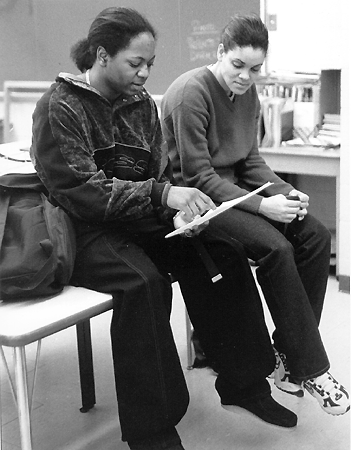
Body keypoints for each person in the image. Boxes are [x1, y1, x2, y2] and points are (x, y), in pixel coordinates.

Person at [30, 7, 299, 450]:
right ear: (101, 55)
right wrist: (160, 196)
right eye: (135, 63)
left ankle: (245, 385)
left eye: (149, 65)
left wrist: (179, 213)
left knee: (222, 253)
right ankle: (152, 431)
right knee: (144, 284)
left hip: (141, 221)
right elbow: (83, 192)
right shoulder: (59, 107)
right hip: (86, 231)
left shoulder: (140, 107)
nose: (145, 73)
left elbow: (159, 175)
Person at [161, 13, 350, 418]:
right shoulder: (190, 93)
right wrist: (264, 205)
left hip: (236, 194)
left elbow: (250, 161)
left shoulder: (248, 94)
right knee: (276, 247)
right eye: (238, 65)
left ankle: (287, 353)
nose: (246, 77)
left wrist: (285, 190)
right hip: (199, 203)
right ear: (220, 53)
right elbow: (198, 177)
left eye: (255, 69)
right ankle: (312, 367)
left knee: (315, 236)